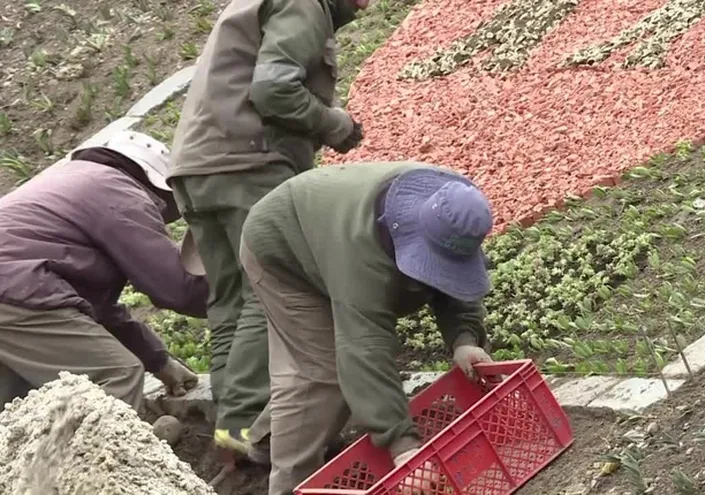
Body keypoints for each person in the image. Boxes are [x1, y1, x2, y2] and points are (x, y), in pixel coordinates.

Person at [166, 0, 368, 460]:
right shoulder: (303, 3)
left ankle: (230, 427)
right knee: (272, 284)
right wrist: (334, 123)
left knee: (230, 295)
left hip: (198, 168)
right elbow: (274, 88)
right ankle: (246, 422)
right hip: (248, 162)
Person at [239, 162, 495, 494]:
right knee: (322, 373)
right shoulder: (364, 252)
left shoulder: (456, 207)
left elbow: (452, 274)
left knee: (331, 371)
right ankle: (288, 484)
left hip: (324, 229)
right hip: (282, 248)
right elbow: (364, 348)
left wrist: (464, 338)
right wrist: (404, 447)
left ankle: (265, 443)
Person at [0, 131, 209, 413]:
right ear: (156, 186)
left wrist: (159, 360)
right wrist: (236, 296)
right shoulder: (120, 193)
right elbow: (176, 288)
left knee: (17, 402)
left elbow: (95, 312)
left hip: (15, 291)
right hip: (15, 287)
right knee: (117, 376)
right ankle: (108, 458)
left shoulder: (75, 185)